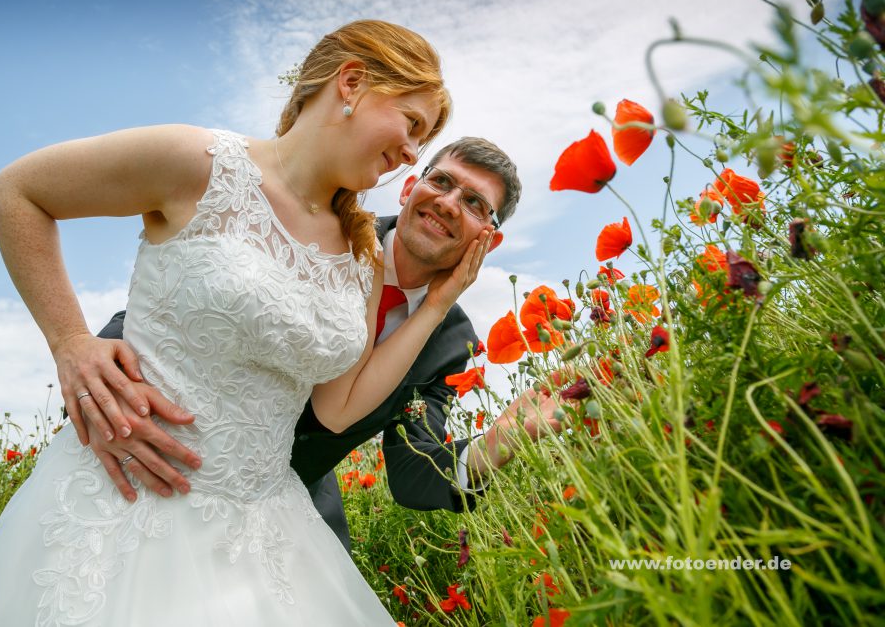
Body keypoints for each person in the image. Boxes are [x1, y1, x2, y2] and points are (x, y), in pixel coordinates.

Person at [0, 20, 491, 626]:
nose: (413, 154)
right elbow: (18, 191)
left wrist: (441, 305)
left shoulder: (361, 250)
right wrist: (71, 341)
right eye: (412, 125)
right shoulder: (199, 162)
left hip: (268, 535)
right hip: (126, 502)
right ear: (353, 82)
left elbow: (339, 408)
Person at [83, 137, 566, 552]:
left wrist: (502, 439)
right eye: (441, 181)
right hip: (152, 460)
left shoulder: (451, 345)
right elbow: (204, 293)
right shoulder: (326, 229)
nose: (447, 202)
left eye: (476, 203)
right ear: (408, 186)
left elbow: (414, 471)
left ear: (489, 240)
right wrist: (93, 359)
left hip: (290, 505)